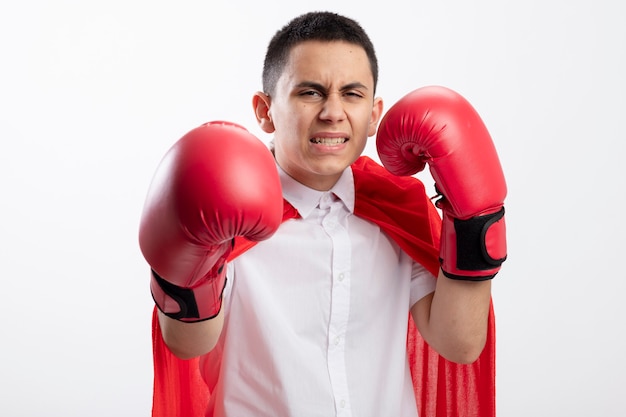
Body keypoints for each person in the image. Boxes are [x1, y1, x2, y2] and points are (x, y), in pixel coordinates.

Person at [139, 11, 506, 417]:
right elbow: (188, 344)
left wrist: (474, 220)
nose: (333, 112)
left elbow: (459, 343)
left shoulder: (399, 208)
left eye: (352, 94)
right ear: (264, 111)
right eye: (310, 93)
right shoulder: (229, 212)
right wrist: (186, 263)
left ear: (373, 114)